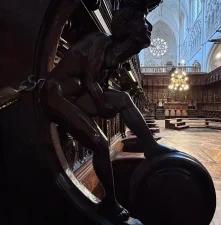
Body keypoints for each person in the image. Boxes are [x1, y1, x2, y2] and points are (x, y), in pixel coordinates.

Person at [39, 0, 176, 224]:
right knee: (101, 143)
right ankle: (110, 203)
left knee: (124, 97)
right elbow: (92, 82)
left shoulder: (117, 56)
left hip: (75, 95)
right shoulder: (101, 42)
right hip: (56, 96)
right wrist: (103, 107)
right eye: (143, 20)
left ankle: (150, 146)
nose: (149, 27)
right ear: (129, 25)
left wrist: (105, 104)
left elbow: (97, 87)